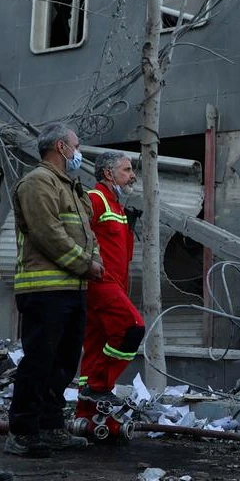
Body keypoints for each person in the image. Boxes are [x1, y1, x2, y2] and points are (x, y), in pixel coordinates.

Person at [6, 123, 102, 456]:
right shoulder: (37, 183)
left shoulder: (73, 189)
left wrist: (94, 262)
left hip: (73, 290)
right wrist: (86, 265)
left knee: (63, 364)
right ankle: (22, 432)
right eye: (77, 145)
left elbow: (89, 235)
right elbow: (48, 233)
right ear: (61, 147)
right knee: (39, 361)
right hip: (44, 291)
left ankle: (49, 428)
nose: (80, 151)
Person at [78, 151, 145, 406]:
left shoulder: (117, 206)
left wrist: (128, 227)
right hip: (100, 284)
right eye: (127, 170)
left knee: (96, 346)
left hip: (114, 285)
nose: (132, 176)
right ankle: (99, 385)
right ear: (108, 173)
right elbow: (77, 235)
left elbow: (122, 256)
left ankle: (87, 416)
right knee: (132, 327)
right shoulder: (94, 199)